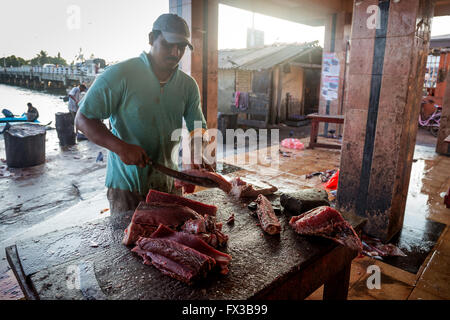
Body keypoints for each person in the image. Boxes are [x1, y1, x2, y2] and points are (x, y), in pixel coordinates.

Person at [75, 13, 211, 217]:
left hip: (169, 183)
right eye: (168, 45)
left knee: (171, 242)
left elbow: (197, 127)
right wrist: (121, 148)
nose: (175, 53)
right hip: (126, 188)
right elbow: (83, 119)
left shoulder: (188, 85)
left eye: (181, 47)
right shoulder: (120, 74)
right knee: (128, 246)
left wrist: (196, 155)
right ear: (151, 39)